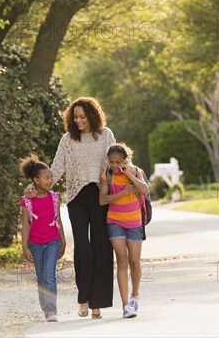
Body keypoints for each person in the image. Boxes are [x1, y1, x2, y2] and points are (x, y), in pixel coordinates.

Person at [24, 97, 121, 319]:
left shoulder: (106, 135)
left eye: (82, 117)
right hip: (77, 198)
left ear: (92, 116)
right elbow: (56, 169)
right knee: (83, 248)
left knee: (100, 246)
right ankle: (84, 299)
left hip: (100, 196)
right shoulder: (67, 140)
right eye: (75, 117)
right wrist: (33, 186)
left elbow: (114, 165)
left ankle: (98, 303)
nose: (78, 121)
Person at [99, 143, 149, 318]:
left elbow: (145, 190)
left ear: (126, 159)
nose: (114, 165)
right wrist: (121, 194)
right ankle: (125, 305)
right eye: (111, 162)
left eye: (118, 162)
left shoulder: (136, 171)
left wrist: (129, 174)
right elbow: (102, 200)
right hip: (115, 221)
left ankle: (135, 296)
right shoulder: (107, 175)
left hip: (134, 222)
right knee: (121, 261)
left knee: (135, 262)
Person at [19, 155, 66, 322]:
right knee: (41, 277)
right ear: (36, 180)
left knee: (49, 275)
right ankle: (46, 309)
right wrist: (24, 247)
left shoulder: (54, 197)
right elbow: (25, 225)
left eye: (51, 178)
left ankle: (52, 310)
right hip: (35, 245)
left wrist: (63, 241)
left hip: (52, 241)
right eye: (46, 178)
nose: (50, 181)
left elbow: (58, 219)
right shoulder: (27, 201)